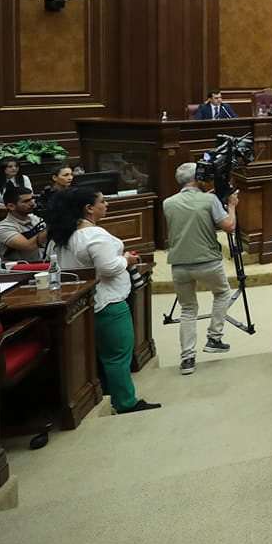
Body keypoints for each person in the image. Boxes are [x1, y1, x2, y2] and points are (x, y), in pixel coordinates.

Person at [48, 187, 159, 413]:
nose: (106, 204)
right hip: (109, 302)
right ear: (89, 208)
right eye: (102, 201)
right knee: (118, 355)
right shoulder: (94, 235)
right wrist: (126, 260)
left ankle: (108, 394)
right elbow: (108, 268)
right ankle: (125, 402)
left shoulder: (61, 235)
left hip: (83, 303)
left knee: (103, 355)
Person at [162, 162, 239, 376]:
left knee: (187, 309)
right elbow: (229, 226)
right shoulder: (209, 200)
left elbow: (190, 215)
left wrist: (209, 199)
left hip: (179, 264)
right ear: (197, 179)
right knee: (222, 293)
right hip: (208, 261)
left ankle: (187, 359)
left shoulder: (168, 203)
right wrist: (231, 205)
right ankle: (214, 337)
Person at [0, 185, 47, 261]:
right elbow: (28, 246)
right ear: (11, 206)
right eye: (26, 201)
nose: (32, 203)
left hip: (45, 263)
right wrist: (52, 225)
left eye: (32, 199)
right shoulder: (2, 228)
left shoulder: (36, 218)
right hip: (21, 267)